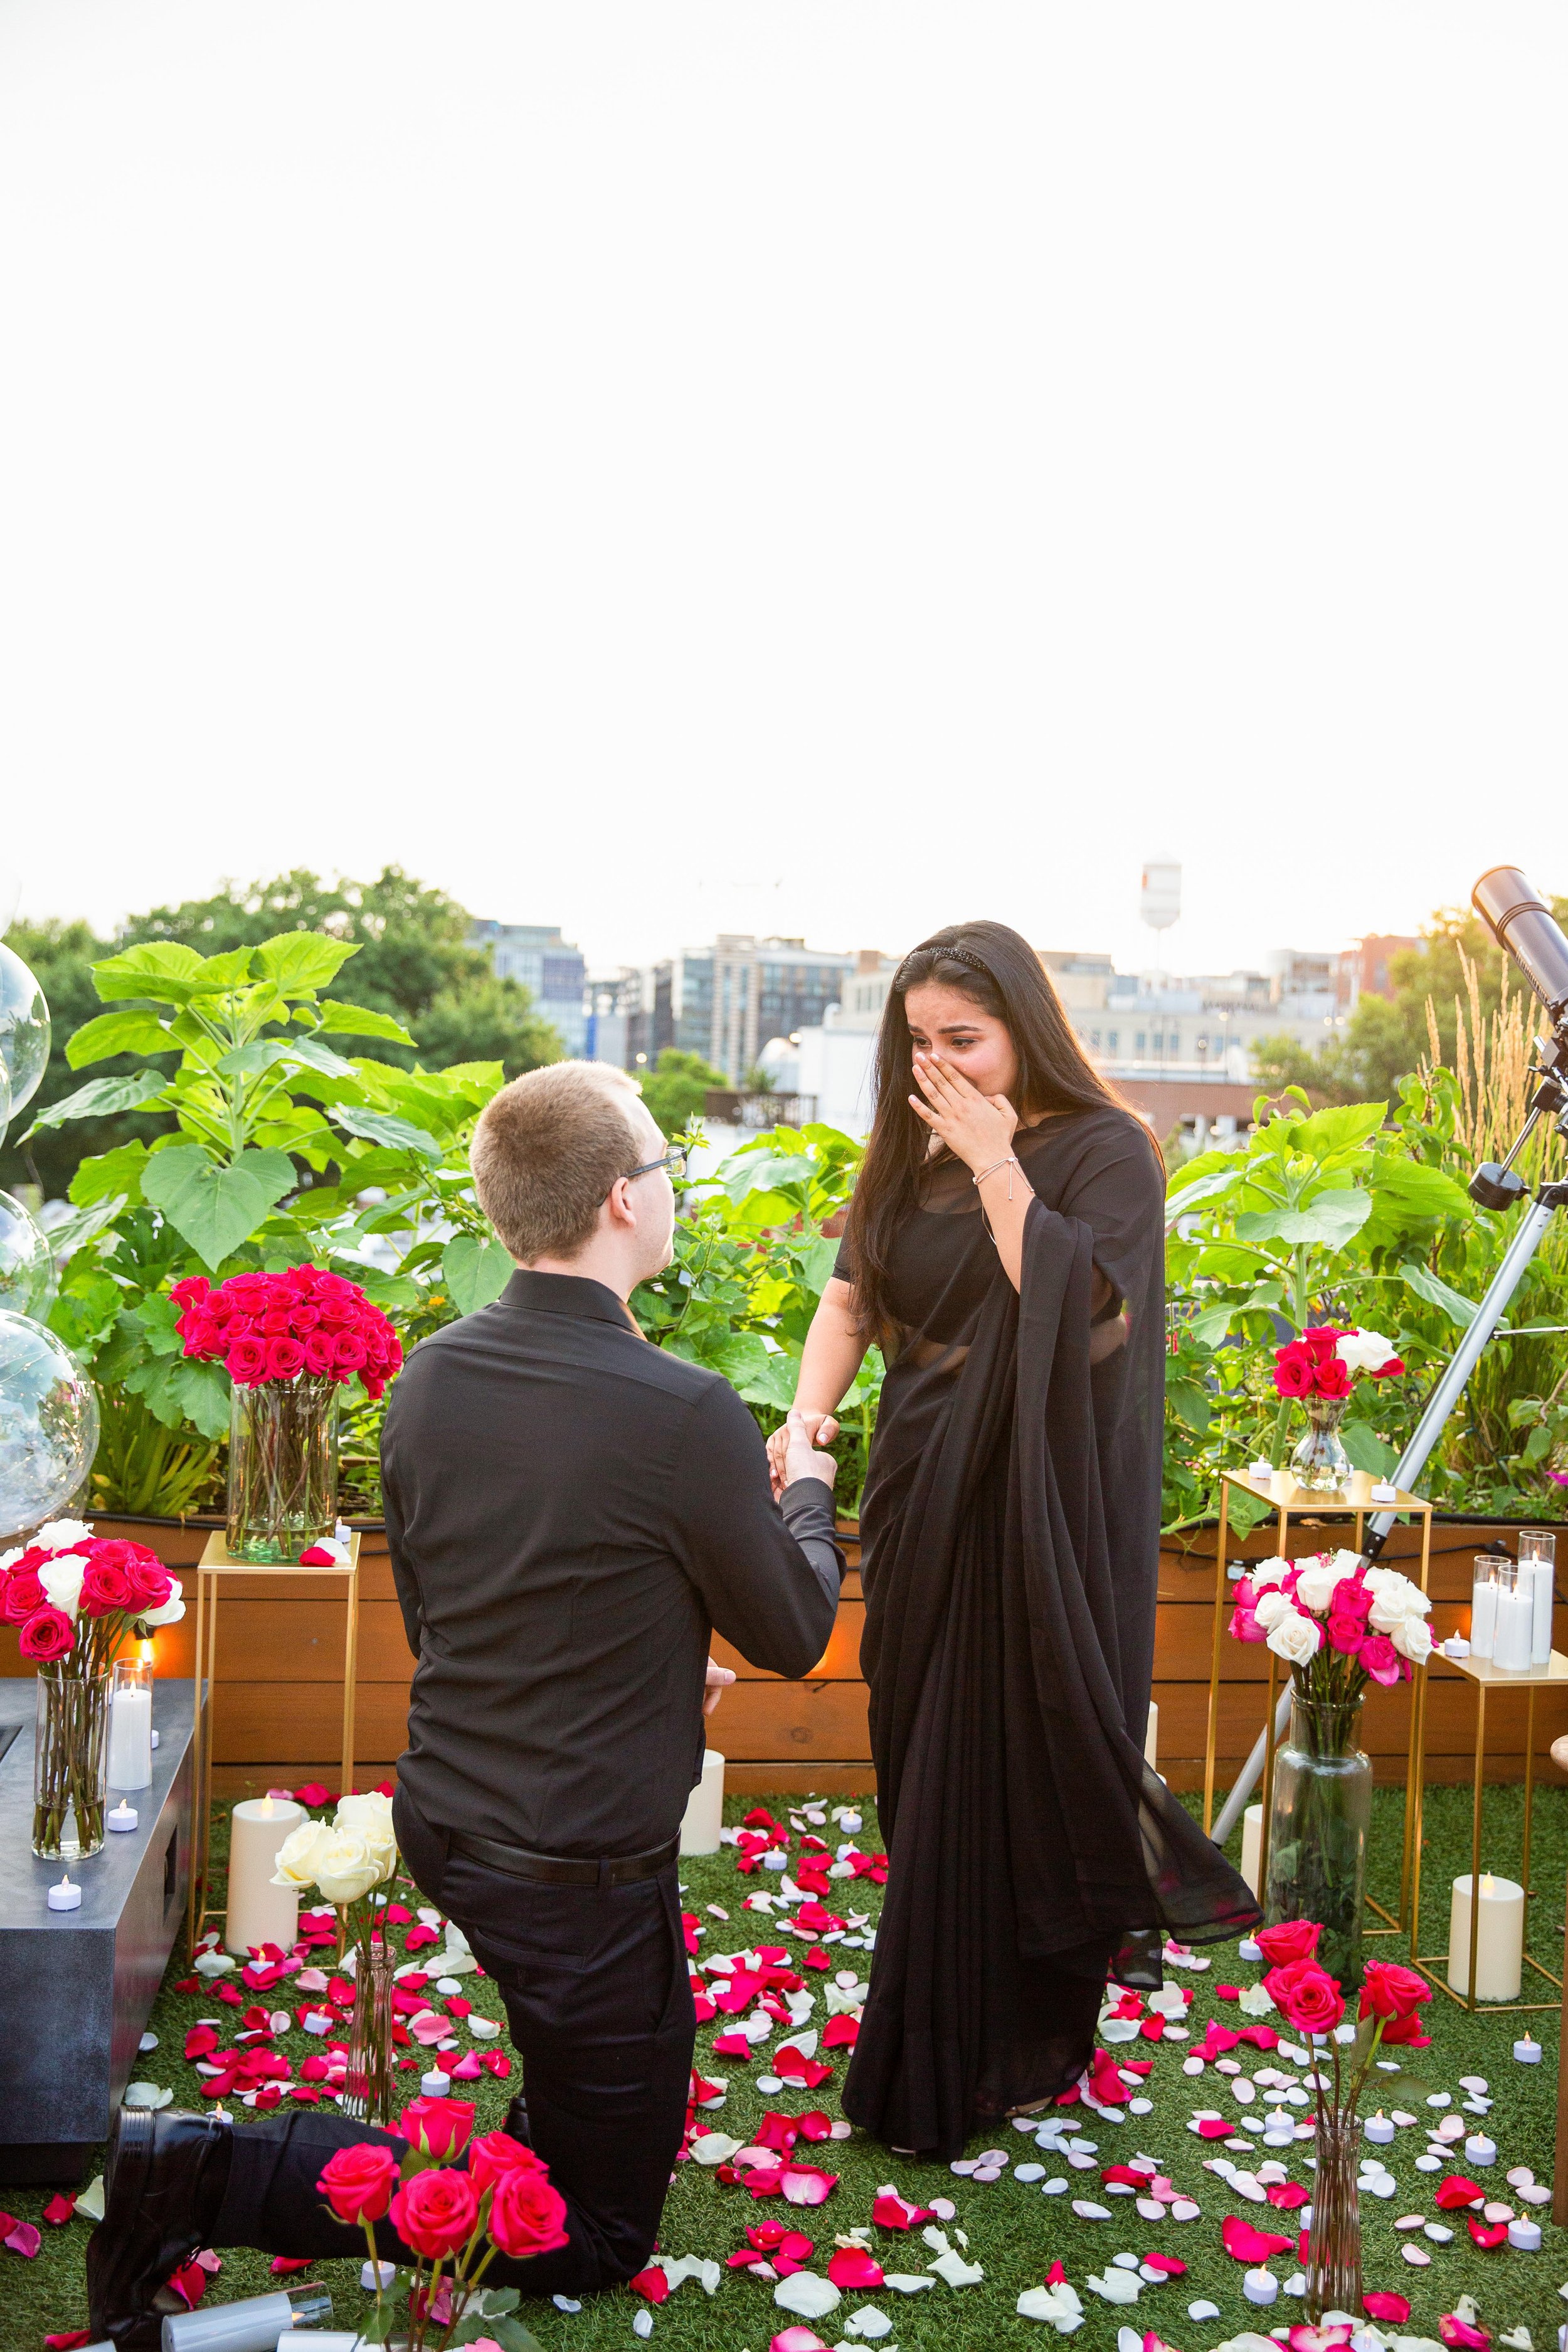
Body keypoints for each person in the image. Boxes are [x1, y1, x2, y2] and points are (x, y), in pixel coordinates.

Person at [89, 1060, 845, 2349]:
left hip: (455, 1814)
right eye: (665, 1171)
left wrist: (663, 1665)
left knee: (579, 2112)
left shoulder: (432, 1377)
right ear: (620, 1200)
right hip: (572, 1865)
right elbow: (790, 1629)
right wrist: (805, 1487)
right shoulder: (685, 1412)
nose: (672, 1192)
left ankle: (419, 2153)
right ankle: (197, 2170)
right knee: (594, 2236)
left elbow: (469, 1608)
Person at [768, 923, 1256, 2159]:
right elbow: (850, 1298)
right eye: (917, 1042)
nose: (938, 1066)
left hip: (1040, 1514)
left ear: (1022, 1031)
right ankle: (950, 2011)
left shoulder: (1105, 1152)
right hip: (922, 1497)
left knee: (1004, 1764)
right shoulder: (900, 1147)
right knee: (918, 1757)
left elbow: (1079, 1315)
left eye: (963, 1041)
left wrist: (994, 1161)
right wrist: (806, 1412)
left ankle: (974, 2049)